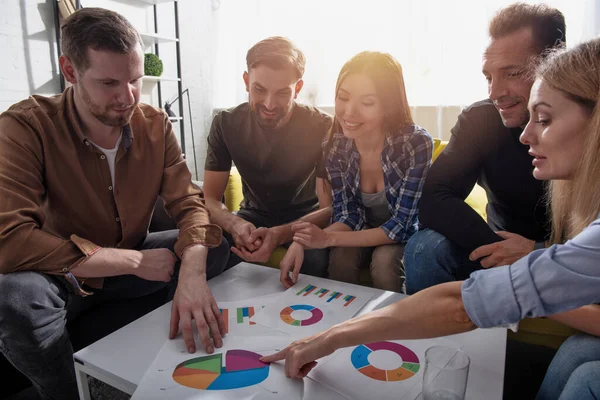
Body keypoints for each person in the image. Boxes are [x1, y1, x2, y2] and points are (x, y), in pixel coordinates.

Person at [262, 37, 600, 400]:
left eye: (545, 119)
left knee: (585, 377)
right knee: (577, 355)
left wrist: (520, 284)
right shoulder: (338, 146)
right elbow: (361, 210)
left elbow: (456, 295)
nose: (526, 134)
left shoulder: (412, 143)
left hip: (403, 239)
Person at [0, 8, 229, 400]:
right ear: (70, 71)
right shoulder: (24, 127)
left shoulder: (155, 124)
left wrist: (191, 274)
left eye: (136, 80)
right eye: (109, 83)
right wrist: (134, 262)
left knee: (214, 246)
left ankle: (126, 342)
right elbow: (10, 240)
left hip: (128, 266)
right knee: (16, 299)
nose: (128, 98)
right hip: (62, 277)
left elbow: (189, 204)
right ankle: (67, 392)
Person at [404, 3, 566, 294]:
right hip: (498, 253)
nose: (494, 93)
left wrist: (536, 252)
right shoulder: (481, 120)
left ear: (555, 65)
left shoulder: (589, 127)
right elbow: (433, 199)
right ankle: (434, 338)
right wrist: (503, 250)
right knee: (425, 248)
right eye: (489, 77)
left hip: (577, 266)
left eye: (511, 73)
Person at [280, 51, 432, 292]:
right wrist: (303, 241)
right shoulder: (336, 146)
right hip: (360, 230)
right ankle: (344, 326)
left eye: (367, 102)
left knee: (383, 262)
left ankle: (393, 326)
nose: (349, 112)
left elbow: (402, 226)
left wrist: (326, 238)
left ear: (388, 104)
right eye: (343, 97)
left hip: (406, 234)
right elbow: (348, 214)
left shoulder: (415, 144)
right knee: (341, 258)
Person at [203, 36, 333, 282]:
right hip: (251, 216)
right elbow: (209, 198)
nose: (269, 104)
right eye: (259, 90)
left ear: (298, 88)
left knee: (315, 262)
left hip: (306, 217)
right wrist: (235, 225)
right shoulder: (225, 123)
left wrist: (282, 234)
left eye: (283, 93)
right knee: (213, 250)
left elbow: (330, 208)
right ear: (246, 81)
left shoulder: (323, 126)